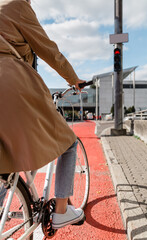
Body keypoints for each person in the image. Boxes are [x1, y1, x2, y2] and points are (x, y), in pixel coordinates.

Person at [0, 0, 85, 229]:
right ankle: (61, 211)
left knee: (3, 159)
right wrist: (73, 79)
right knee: (68, 142)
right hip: (9, 84)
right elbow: (48, 49)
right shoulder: (16, 5)